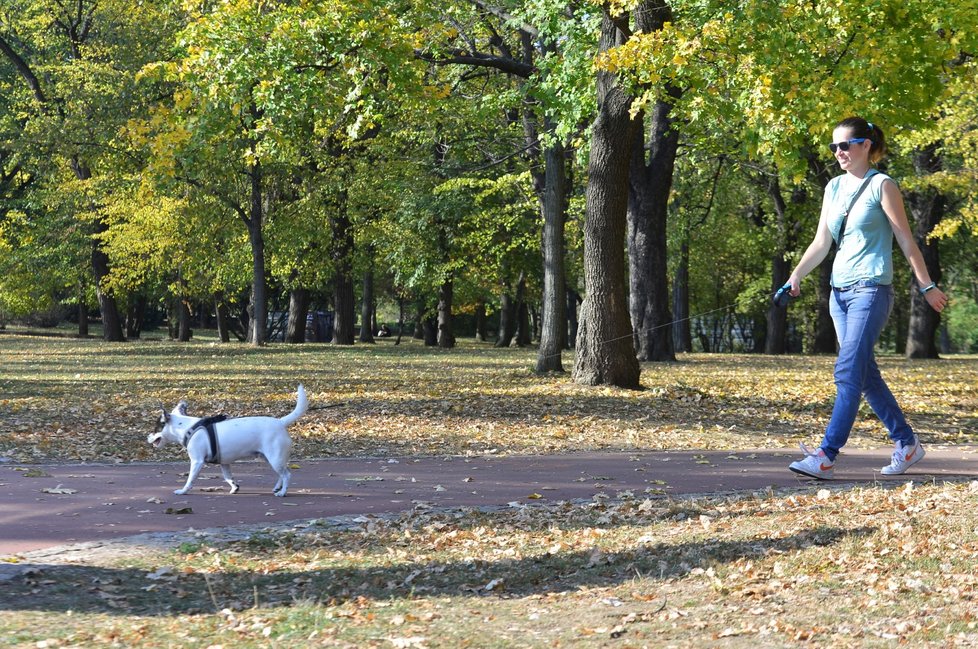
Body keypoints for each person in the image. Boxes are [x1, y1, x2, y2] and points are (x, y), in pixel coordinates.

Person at [784, 116, 948, 480]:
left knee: (847, 371)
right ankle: (907, 444)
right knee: (864, 373)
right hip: (838, 294)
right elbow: (821, 242)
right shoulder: (833, 188)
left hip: (871, 290)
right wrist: (796, 275)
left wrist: (926, 286)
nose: (839, 152)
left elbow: (906, 240)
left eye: (845, 145)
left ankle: (826, 456)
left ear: (866, 145)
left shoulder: (882, 186)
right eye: (834, 147)